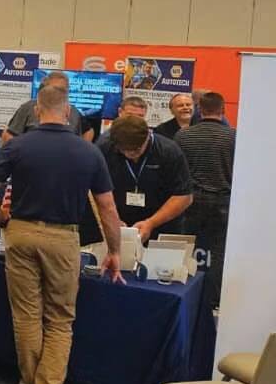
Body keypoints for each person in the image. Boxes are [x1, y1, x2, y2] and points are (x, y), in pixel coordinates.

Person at [0, 84, 124, 384]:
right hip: (63, 238)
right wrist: (114, 250)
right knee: (59, 318)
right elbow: (107, 207)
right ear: (68, 112)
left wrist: (3, 221)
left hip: (21, 234)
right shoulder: (89, 152)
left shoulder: (17, 146)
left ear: (37, 111)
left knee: (26, 314)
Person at [176, 91, 235, 309]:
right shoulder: (234, 136)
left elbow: (177, 171)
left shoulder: (183, 136)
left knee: (185, 246)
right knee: (219, 251)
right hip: (222, 200)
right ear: (223, 110)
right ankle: (212, 299)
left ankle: (182, 291)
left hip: (190, 200)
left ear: (200, 110)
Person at [93, 115, 191, 242]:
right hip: (118, 223)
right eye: (124, 150)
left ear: (148, 136)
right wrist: (111, 218)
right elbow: (92, 190)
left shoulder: (169, 151)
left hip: (162, 224)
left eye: (137, 149)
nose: (130, 154)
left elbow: (184, 196)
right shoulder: (104, 149)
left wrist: (151, 223)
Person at [2, 71, 94, 143]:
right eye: (55, 89)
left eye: (64, 89)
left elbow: (88, 131)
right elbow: (9, 135)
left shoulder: (74, 111)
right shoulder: (28, 107)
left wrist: (81, 149)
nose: (58, 93)